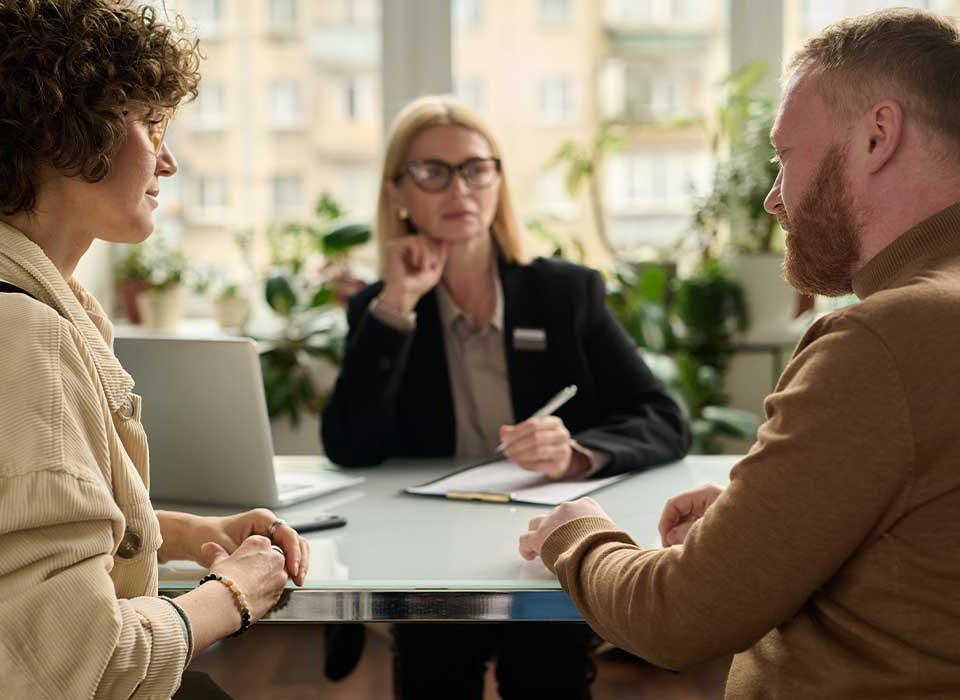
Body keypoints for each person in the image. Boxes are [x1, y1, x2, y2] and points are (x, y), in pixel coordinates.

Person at [519, 7, 960, 699]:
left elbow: (676, 617)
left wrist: (576, 532)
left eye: (786, 158)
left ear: (878, 136)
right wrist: (769, 519)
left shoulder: (888, 336)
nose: (772, 198)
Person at [322, 95, 691, 699]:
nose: (458, 189)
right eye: (431, 172)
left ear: (497, 181)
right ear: (399, 194)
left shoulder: (564, 293)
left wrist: (577, 454)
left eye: (475, 168)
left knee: (545, 673)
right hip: (427, 547)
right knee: (433, 673)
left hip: (539, 538)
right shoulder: (381, 309)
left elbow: (663, 418)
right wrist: (397, 306)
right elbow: (349, 445)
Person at [0, 3, 309, 698]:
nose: (167, 161)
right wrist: (233, 593)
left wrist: (187, 530)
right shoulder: (25, 335)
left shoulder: (54, 309)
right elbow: (85, 663)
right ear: (62, 133)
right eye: (149, 124)